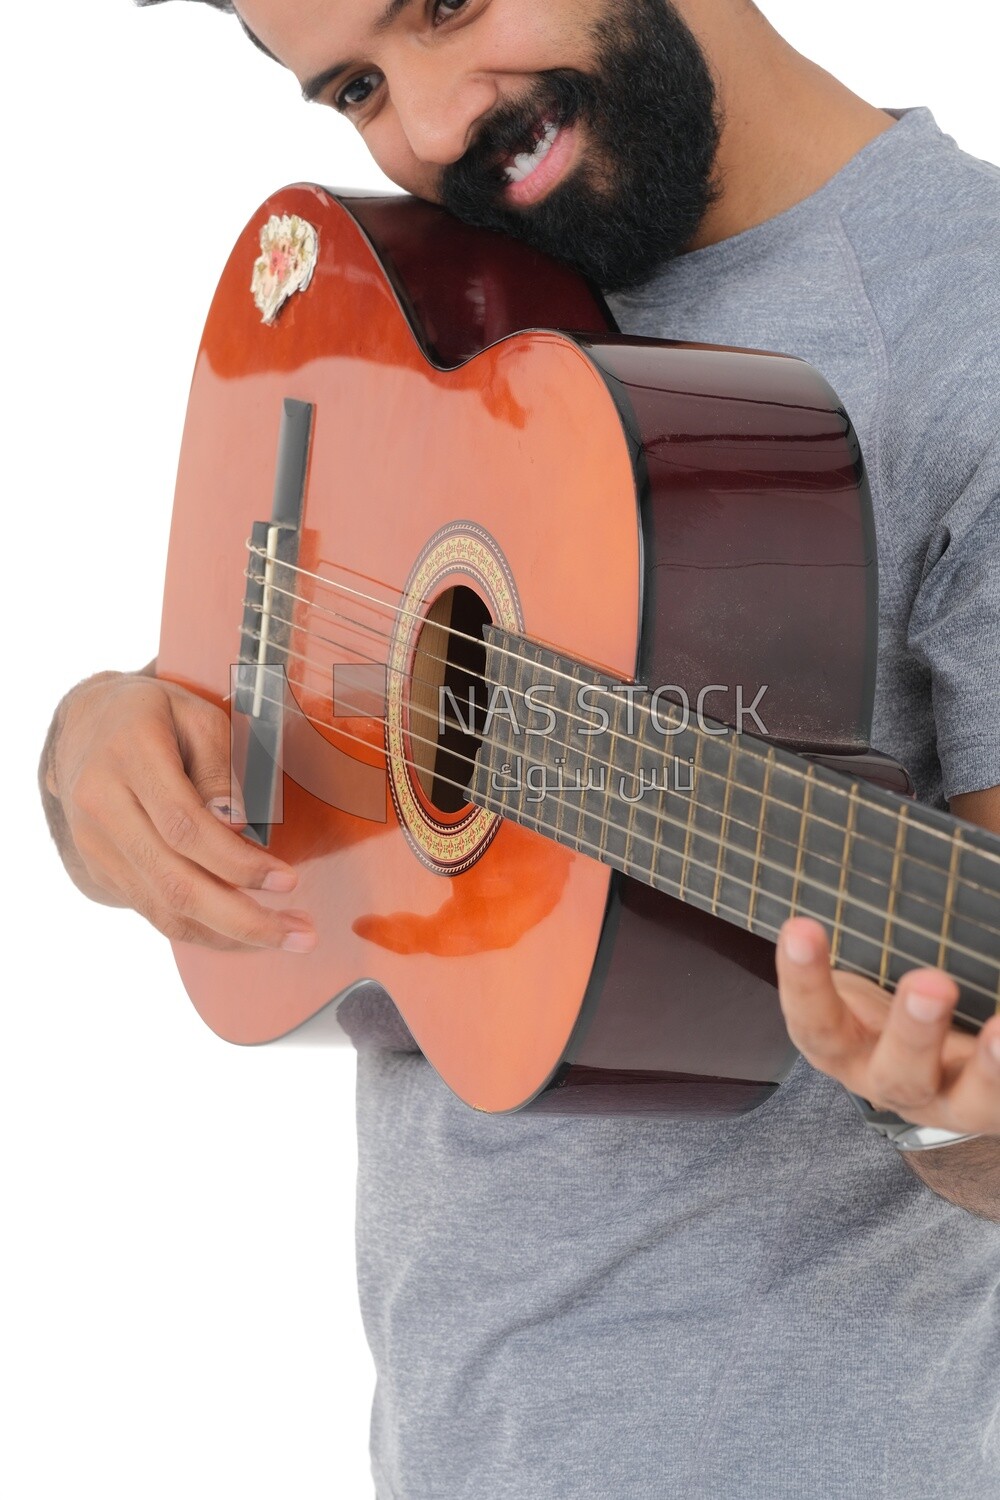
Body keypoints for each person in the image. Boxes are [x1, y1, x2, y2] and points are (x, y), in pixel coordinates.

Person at [40, 2, 1000, 1495]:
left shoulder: (973, 323)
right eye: (355, 85)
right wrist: (89, 749)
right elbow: (272, 693)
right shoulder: (457, 295)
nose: (425, 126)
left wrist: (950, 1109)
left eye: (442, 4)